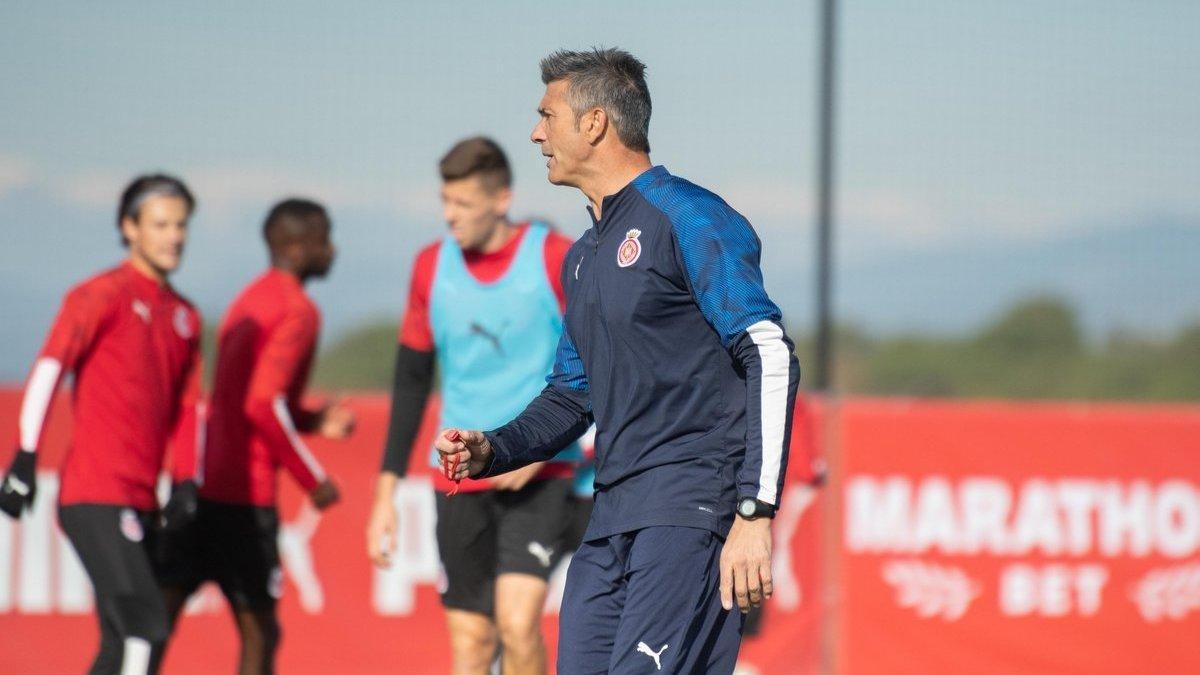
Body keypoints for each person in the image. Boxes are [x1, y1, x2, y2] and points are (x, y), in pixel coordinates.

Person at [436, 48, 802, 674]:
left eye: (547, 115)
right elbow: (570, 395)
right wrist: (492, 449)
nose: (535, 133)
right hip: (609, 520)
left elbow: (769, 350)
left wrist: (754, 513)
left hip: (690, 511)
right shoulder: (582, 256)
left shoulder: (688, 215)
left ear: (595, 122)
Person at [366, 136, 581, 675]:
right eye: (445, 202)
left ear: (501, 198)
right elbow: (411, 382)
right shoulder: (429, 268)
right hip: (458, 477)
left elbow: (597, 366)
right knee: (470, 642)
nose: (449, 216)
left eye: (462, 204)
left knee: (517, 623)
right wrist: (385, 494)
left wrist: (540, 450)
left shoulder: (555, 258)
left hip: (541, 474)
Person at [0, 174, 203, 674]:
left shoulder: (185, 316)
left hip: (140, 500)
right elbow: (50, 368)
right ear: (129, 228)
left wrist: (185, 479)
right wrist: (26, 454)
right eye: (160, 224)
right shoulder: (100, 294)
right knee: (144, 627)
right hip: (94, 495)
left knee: (120, 641)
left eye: (180, 225)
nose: (173, 236)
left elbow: (185, 407)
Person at [161, 198, 353, 675]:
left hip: (202, 483)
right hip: (245, 497)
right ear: (295, 246)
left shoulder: (248, 298)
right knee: (260, 632)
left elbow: (243, 397)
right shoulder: (298, 309)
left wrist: (311, 419)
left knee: (156, 620)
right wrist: (314, 479)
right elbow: (262, 405)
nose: (332, 249)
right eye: (324, 238)